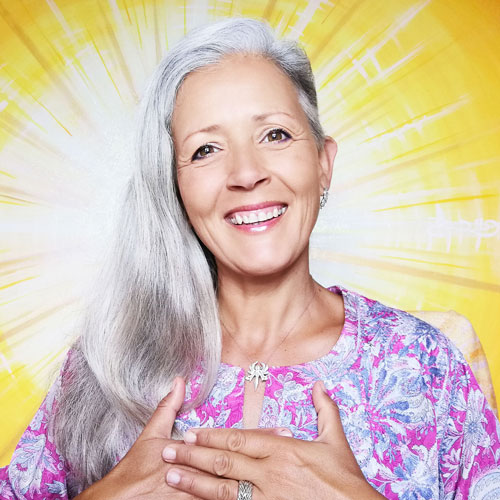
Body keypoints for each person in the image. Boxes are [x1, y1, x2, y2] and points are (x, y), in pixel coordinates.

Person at [1, 17, 499, 500]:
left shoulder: (425, 363)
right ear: (175, 187)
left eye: (275, 134)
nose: (245, 173)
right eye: (206, 149)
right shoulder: (106, 363)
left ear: (323, 163)